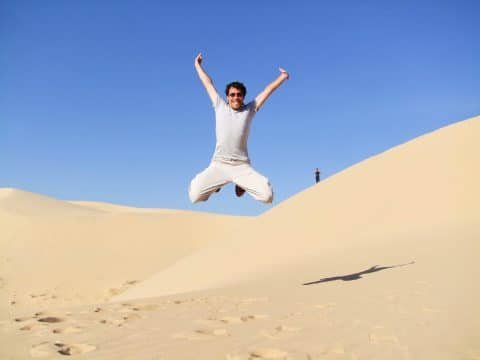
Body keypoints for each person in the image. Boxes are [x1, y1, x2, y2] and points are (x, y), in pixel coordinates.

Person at [188, 53, 289, 204]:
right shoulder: (219, 106)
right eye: (232, 95)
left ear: (243, 97)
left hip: (241, 166)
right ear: (227, 97)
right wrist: (197, 66)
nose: (236, 97)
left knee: (267, 196)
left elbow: (267, 91)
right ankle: (217, 185)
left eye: (239, 95)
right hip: (219, 164)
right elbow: (208, 83)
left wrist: (283, 77)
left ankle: (241, 185)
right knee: (194, 196)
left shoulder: (250, 109)